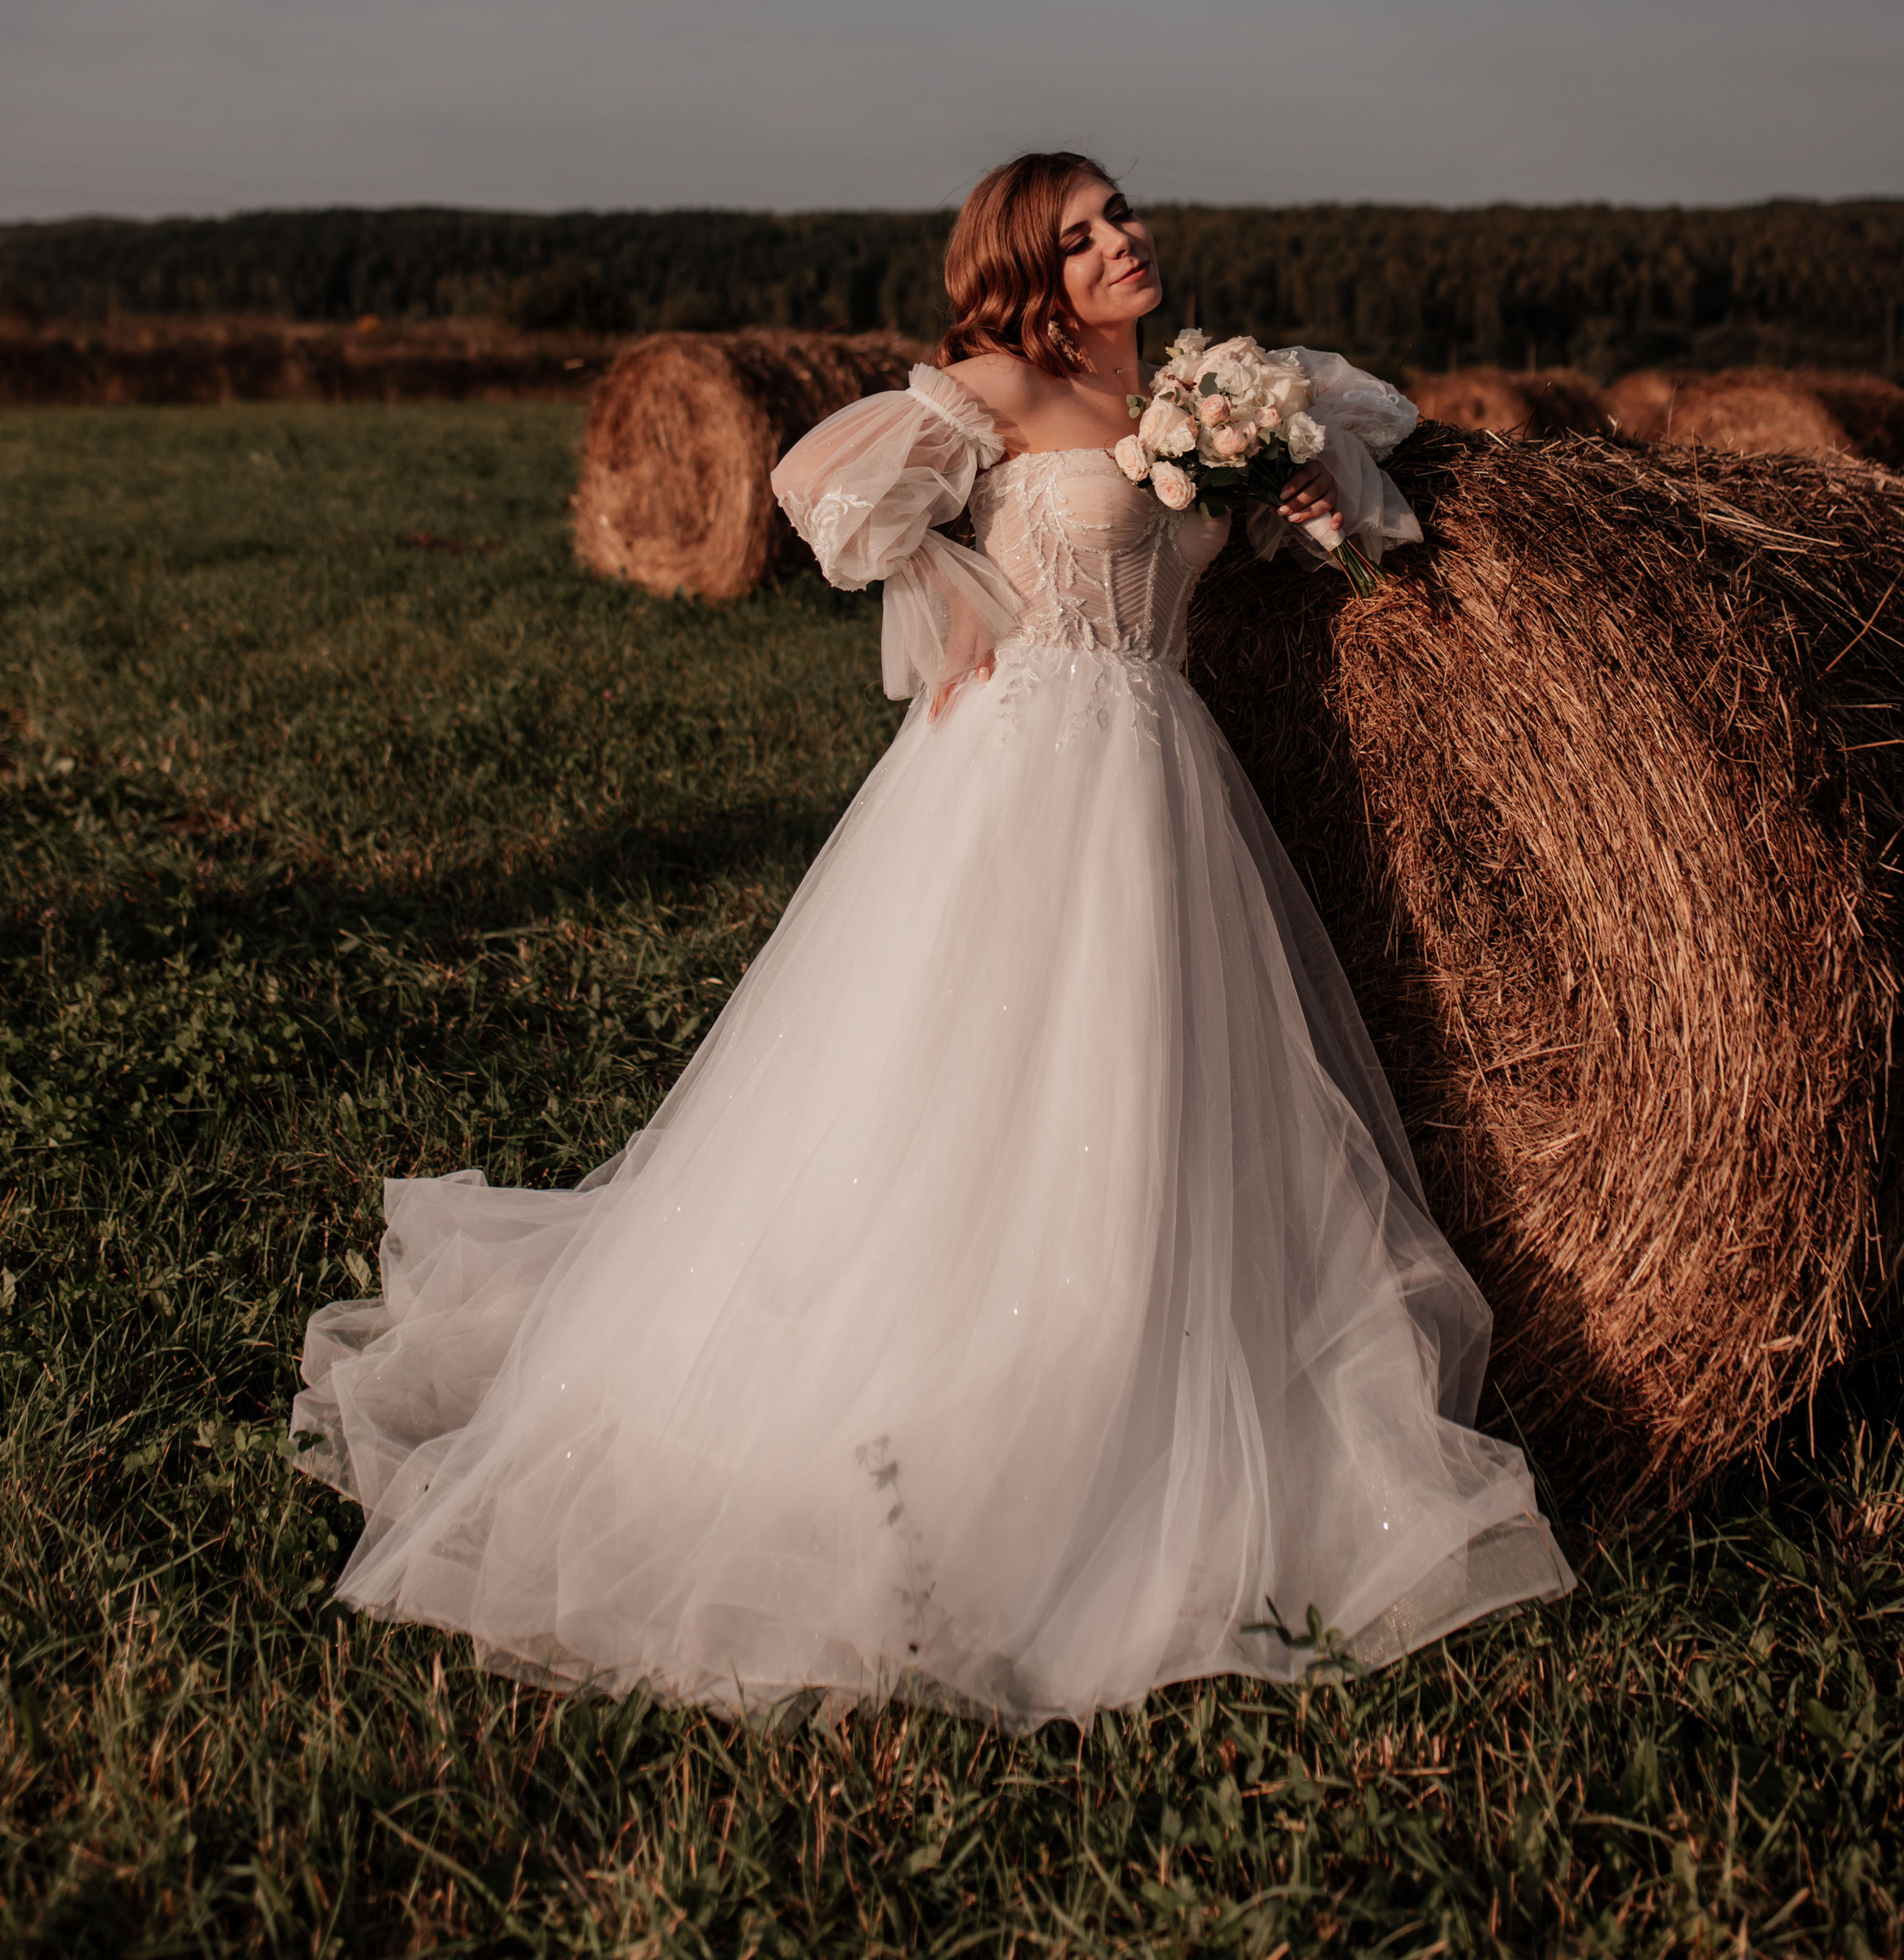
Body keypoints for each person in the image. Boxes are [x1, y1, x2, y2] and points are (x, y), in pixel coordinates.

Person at [293, 151, 1572, 1727]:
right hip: (1021, 763)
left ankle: (1138, 1377)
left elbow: (1370, 518)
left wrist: (1306, 497)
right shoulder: (997, 386)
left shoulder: (1206, 396)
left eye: (1125, 214)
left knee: (1151, 1095)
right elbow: (820, 485)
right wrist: (942, 575)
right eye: (1087, 229)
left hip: (1165, 770)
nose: (1125, 238)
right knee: (961, 1090)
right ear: (1027, 263)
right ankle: (942, 1417)